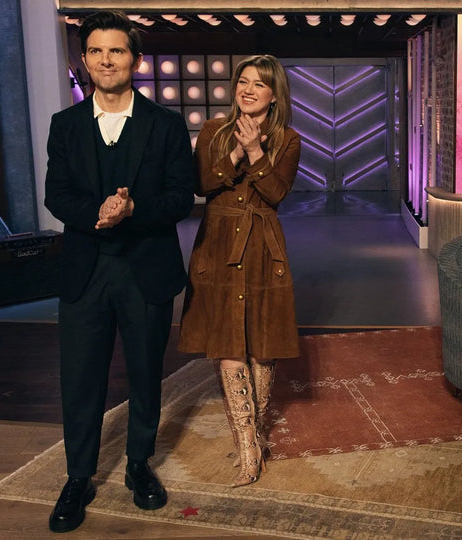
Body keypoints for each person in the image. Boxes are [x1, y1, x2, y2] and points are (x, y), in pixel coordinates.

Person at [44, 10, 195, 533]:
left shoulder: (166, 125)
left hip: (145, 268)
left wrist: (133, 210)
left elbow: (180, 197)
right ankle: (78, 476)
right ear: (85, 61)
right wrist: (96, 212)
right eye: (96, 51)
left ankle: (138, 464)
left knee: (146, 374)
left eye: (117, 50)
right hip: (84, 270)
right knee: (79, 378)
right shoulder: (64, 125)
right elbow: (57, 194)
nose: (106, 60)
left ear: (135, 59)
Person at [179, 55, 300, 487]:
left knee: (262, 345)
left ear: (274, 95)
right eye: (243, 82)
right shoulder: (213, 130)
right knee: (228, 342)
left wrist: (256, 151)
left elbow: (276, 193)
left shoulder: (288, 139)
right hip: (218, 246)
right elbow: (201, 185)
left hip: (263, 247)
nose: (248, 90)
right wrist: (235, 151)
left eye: (259, 84)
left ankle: (258, 435)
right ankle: (248, 448)